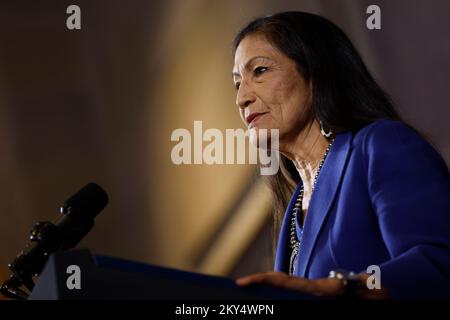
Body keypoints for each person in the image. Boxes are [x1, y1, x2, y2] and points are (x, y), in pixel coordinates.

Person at [231, 11, 450, 299]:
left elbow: (439, 263)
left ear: (316, 72)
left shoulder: (381, 145)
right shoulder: (294, 206)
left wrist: (346, 288)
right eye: (237, 83)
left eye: (259, 71)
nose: (241, 98)